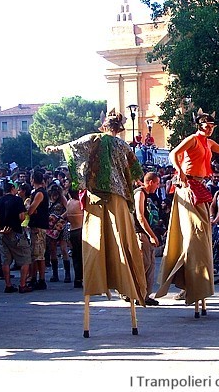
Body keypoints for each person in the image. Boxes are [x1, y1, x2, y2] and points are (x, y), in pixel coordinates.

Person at [45, 109, 146, 337]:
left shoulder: (94, 139)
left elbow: (72, 147)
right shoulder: (125, 147)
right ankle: (130, 289)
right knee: (122, 244)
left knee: (95, 245)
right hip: (118, 202)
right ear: (119, 129)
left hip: (97, 200)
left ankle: (97, 284)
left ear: (104, 127)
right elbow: (137, 174)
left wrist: (55, 149)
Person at [155, 108, 219, 314]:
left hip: (201, 185)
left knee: (202, 237)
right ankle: (190, 284)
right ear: (200, 125)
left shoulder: (209, 142)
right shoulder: (193, 139)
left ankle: (191, 284)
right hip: (189, 185)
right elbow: (174, 153)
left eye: (212, 126)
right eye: (207, 125)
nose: (210, 129)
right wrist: (181, 174)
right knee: (195, 236)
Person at [0, 181, 33, 293]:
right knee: (25, 258)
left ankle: (8, 284)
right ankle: (22, 284)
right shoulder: (17, 200)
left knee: (6, 260)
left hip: (3, 233)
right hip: (16, 232)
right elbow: (22, 216)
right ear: (12, 188)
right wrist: (17, 222)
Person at [133, 172, 162, 306]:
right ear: (150, 182)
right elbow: (140, 216)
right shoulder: (140, 193)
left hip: (146, 233)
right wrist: (151, 235)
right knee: (143, 264)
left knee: (150, 264)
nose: (158, 186)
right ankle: (135, 293)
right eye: (157, 183)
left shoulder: (145, 193)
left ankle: (145, 294)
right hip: (140, 233)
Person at [27, 170, 49, 290]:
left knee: (38, 254)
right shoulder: (37, 193)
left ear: (33, 179)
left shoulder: (40, 193)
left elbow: (31, 210)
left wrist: (31, 209)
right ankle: (35, 278)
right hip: (37, 226)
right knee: (35, 254)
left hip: (39, 227)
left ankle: (40, 279)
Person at [64, 187, 84, 288]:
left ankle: (78, 278)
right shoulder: (78, 203)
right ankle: (81, 277)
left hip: (72, 231)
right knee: (81, 256)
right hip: (80, 230)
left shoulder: (69, 203)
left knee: (76, 256)